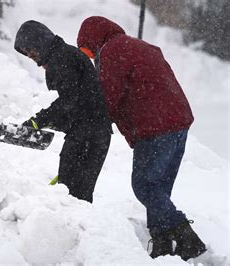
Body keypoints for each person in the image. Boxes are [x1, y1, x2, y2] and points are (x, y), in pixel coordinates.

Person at [77, 16, 206, 260]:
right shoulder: (138, 45)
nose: (92, 57)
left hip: (155, 126)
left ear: (94, 39)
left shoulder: (112, 52)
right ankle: (162, 243)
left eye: (88, 50)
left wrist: (90, 120)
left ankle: (186, 237)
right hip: (178, 121)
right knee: (159, 189)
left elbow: (108, 97)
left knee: (145, 186)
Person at [14, 20, 112, 203]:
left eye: (30, 50)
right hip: (92, 132)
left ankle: (73, 227)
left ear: (40, 41)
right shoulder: (62, 56)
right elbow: (75, 102)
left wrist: (38, 121)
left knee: (72, 197)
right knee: (76, 195)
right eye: (26, 53)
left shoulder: (62, 59)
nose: (30, 55)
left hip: (87, 134)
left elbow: (68, 100)